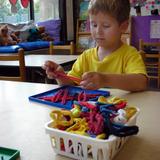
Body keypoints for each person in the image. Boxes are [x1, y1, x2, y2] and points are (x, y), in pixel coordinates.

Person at [43, 0, 147, 92]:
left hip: (122, 111)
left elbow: (141, 82)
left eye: (106, 26)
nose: (98, 31)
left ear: (123, 26)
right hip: (90, 112)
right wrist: (60, 75)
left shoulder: (129, 54)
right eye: (94, 25)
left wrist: (105, 80)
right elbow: (71, 83)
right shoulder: (86, 56)